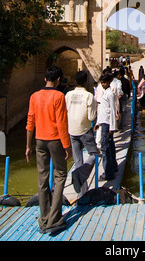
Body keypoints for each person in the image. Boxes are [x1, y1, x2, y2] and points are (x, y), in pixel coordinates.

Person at [25, 65, 72, 235]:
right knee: (60, 176)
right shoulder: (59, 96)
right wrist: (67, 146)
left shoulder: (34, 96)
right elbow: (61, 123)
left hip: (39, 141)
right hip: (55, 140)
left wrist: (28, 146)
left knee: (42, 178)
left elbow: (30, 122)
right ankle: (55, 219)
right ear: (59, 80)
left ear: (45, 78)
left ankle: (44, 219)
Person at [65, 70, 98, 198]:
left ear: (75, 81)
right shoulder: (88, 96)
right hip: (84, 129)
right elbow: (91, 117)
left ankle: (81, 193)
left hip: (71, 130)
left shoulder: (68, 95)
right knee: (94, 154)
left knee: (77, 159)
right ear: (86, 81)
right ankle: (81, 172)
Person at [94, 73, 118, 181]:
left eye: (104, 82)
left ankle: (108, 173)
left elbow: (112, 111)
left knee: (105, 147)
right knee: (110, 145)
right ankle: (114, 166)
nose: (102, 84)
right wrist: (98, 122)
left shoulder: (109, 94)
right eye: (101, 82)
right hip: (103, 122)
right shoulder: (105, 93)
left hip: (107, 124)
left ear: (109, 82)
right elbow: (103, 109)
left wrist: (112, 127)